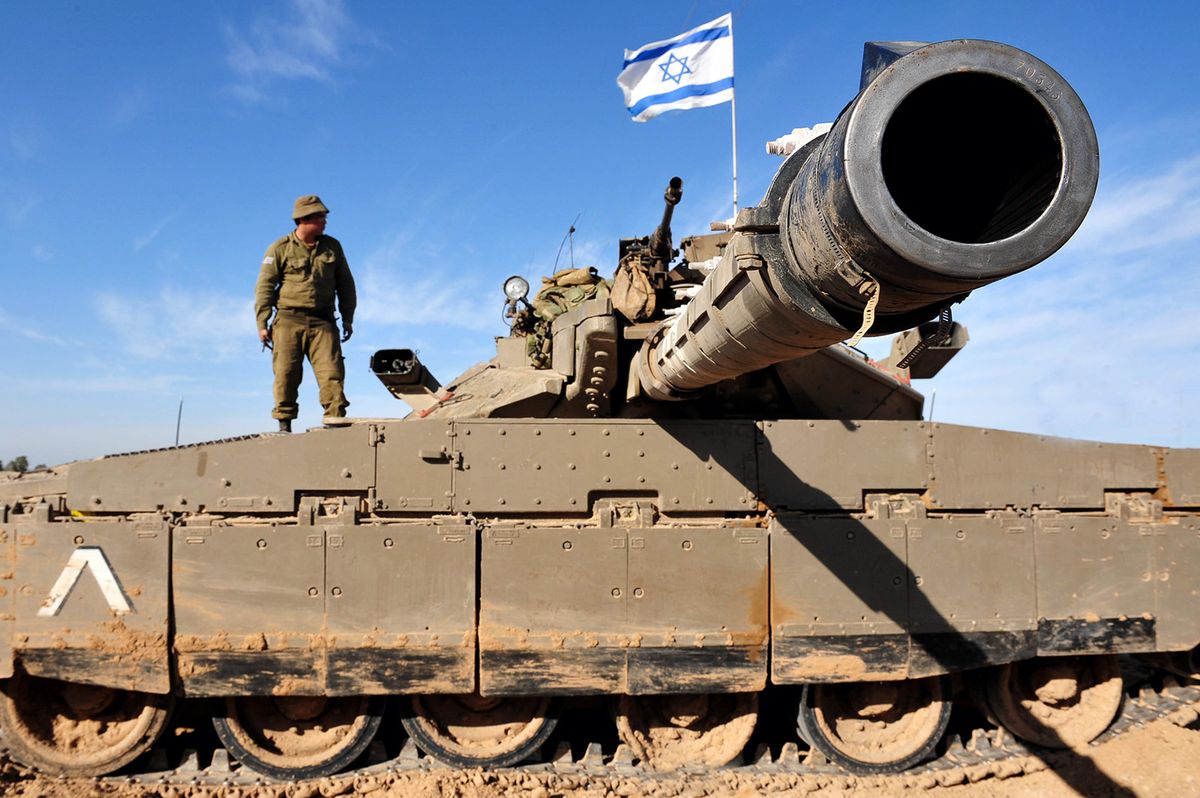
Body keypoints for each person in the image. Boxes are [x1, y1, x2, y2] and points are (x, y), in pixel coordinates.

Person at [254, 195, 357, 433]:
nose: (325, 222)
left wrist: (348, 317)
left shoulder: (333, 247)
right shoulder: (280, 248)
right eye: (321, 217)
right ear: (304, 219)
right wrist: (262, 321)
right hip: (289, 320)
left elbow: (346, 284)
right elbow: (265, 286)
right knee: (286, 373)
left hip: (324, 322)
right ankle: (284, 424)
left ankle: (334, 422)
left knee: (332, 374)